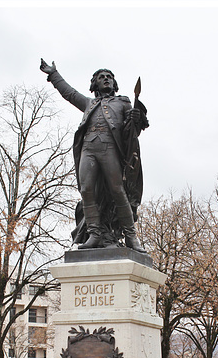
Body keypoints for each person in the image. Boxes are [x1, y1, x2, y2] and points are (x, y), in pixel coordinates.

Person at [40, 60, 148, 252]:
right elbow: (69, 93)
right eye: (101, 77)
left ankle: (131, 237)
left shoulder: (123, 102)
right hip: (88, 148)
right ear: (94, 84)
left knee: (117, 190)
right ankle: (94, 233)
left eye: (109, 77)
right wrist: (53, 75)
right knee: (87, 190)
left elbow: (133, 131)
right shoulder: (89, 103)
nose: (106, 79)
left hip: (109, 148)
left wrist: (135, 118)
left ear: (114, 84)